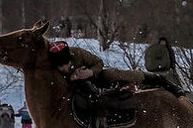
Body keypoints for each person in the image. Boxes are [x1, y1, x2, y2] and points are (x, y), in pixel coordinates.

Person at [47, 40, 183, 96]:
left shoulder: (78, 53)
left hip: (94, 78)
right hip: (76, 92)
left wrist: (89, 72)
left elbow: (98, 62)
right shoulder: (52, 69)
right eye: (61, 66)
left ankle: (160, 80)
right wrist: (70, 79)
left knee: (114, 73)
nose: (64, 68)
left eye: (66, 64)